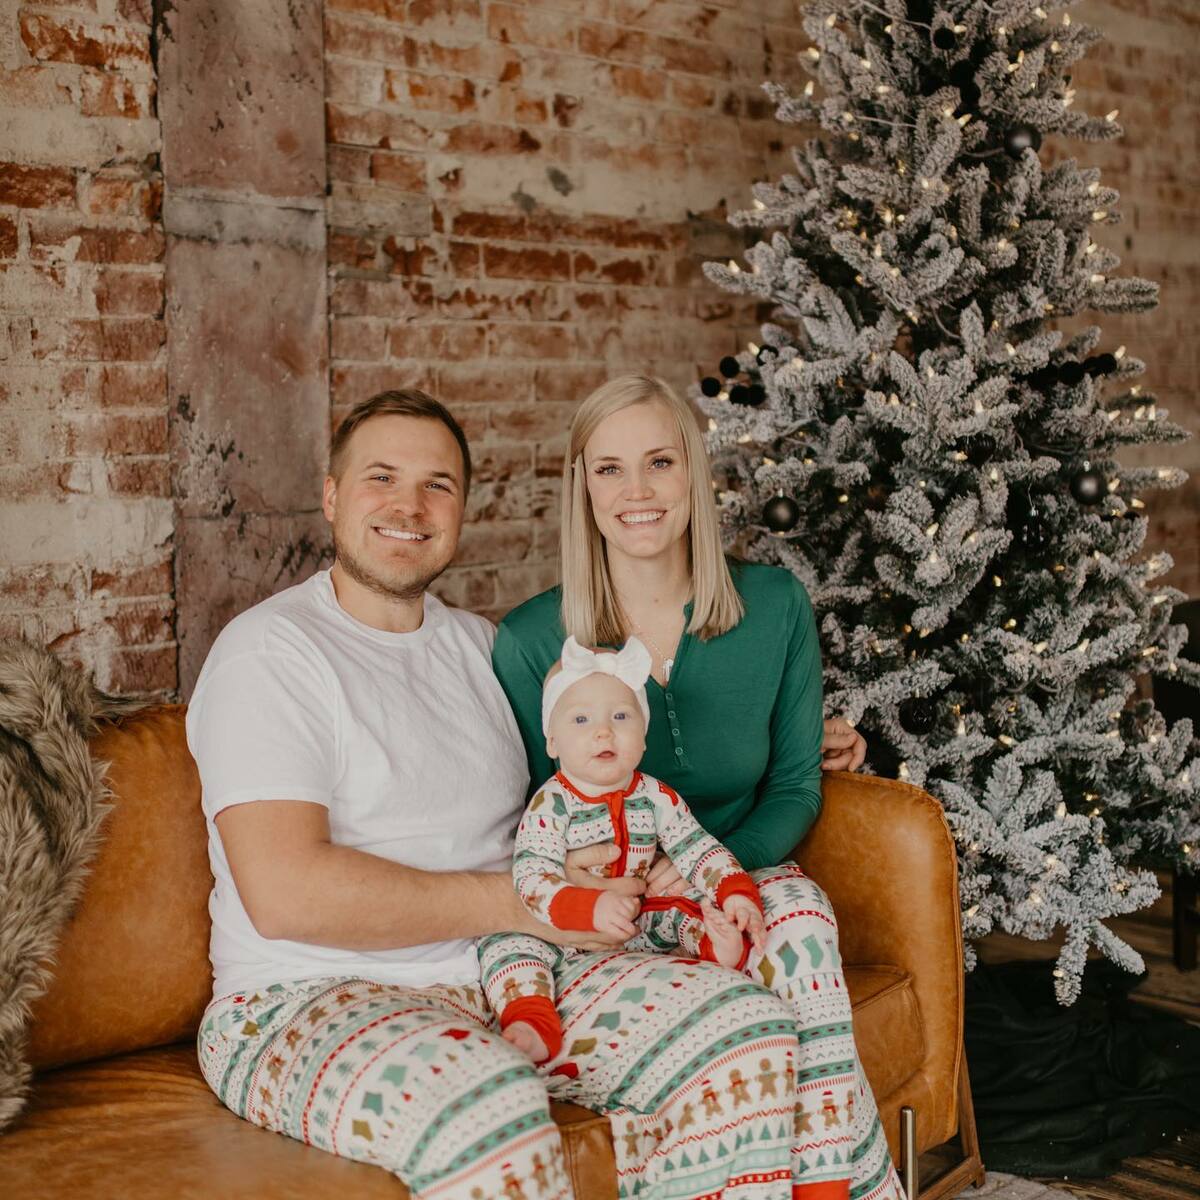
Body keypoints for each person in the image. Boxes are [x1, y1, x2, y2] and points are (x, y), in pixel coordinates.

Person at [187, 389, 817, 1200]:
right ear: (333, 495)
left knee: (746, 1029)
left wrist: (810, 748)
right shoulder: (271, 652)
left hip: (510, 972)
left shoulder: (481, 648)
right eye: (381, 477)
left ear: (462, 509)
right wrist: (530, 907)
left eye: (438, 485)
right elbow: (284, 893)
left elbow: (598, 774)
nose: (409, 506)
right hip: (299, 1000)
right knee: (495, 1110)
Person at [491, 375, 903, 1200]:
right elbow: (540, 819)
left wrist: (716, 868)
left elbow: (795, 786)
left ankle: (825, 1190)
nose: (636, 492)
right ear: (583, 488)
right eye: (608, 469)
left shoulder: (776, 606)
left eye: (659, 463)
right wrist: (608, 887)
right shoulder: (534, 638)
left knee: (803, 920)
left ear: (695, 475)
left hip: (737, 875)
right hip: (612, 914)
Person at [479, 634, 767, 1064]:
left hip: (637, 917)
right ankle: (531, 1018)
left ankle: (717, 943)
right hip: (560, 930)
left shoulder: (655, 796)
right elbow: (532, 876)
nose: (602, 731)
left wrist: (735, 891)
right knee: (506, 945)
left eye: (620, 715)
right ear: (552, 743)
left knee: (683, 906)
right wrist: (586, 908)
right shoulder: (552, 803)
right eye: (580, 720)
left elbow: (695, 846)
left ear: (644, 738)